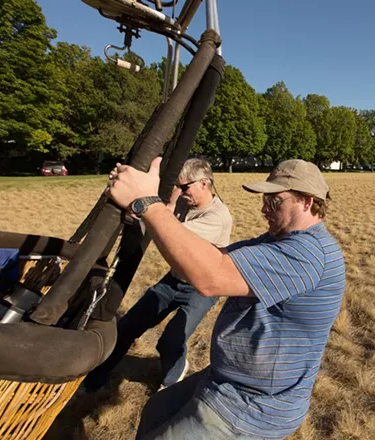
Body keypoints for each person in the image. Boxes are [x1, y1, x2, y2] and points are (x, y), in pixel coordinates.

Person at [106, 158, 346, 440]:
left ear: (307, 201)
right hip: (227, 380)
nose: (264, 208)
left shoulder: (306, 253)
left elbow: (211, 278)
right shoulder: (275, 241)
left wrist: (146, 202)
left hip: (254, 405)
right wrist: (145, 214)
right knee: (157, 409)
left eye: (275, 200)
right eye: (265, 199)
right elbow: (207, 259)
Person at [83, 158, 232, 393]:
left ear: (204, 183)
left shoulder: (218, 217)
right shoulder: (184, 201)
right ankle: (94, 380)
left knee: (171, 340)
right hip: (173, 280)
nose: (181, 192)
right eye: (178, 187)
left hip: (201, 288)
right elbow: (161, 214)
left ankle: (173, 379)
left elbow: (171, 231)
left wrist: (143, 206)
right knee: (127, 328)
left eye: (185, 187)